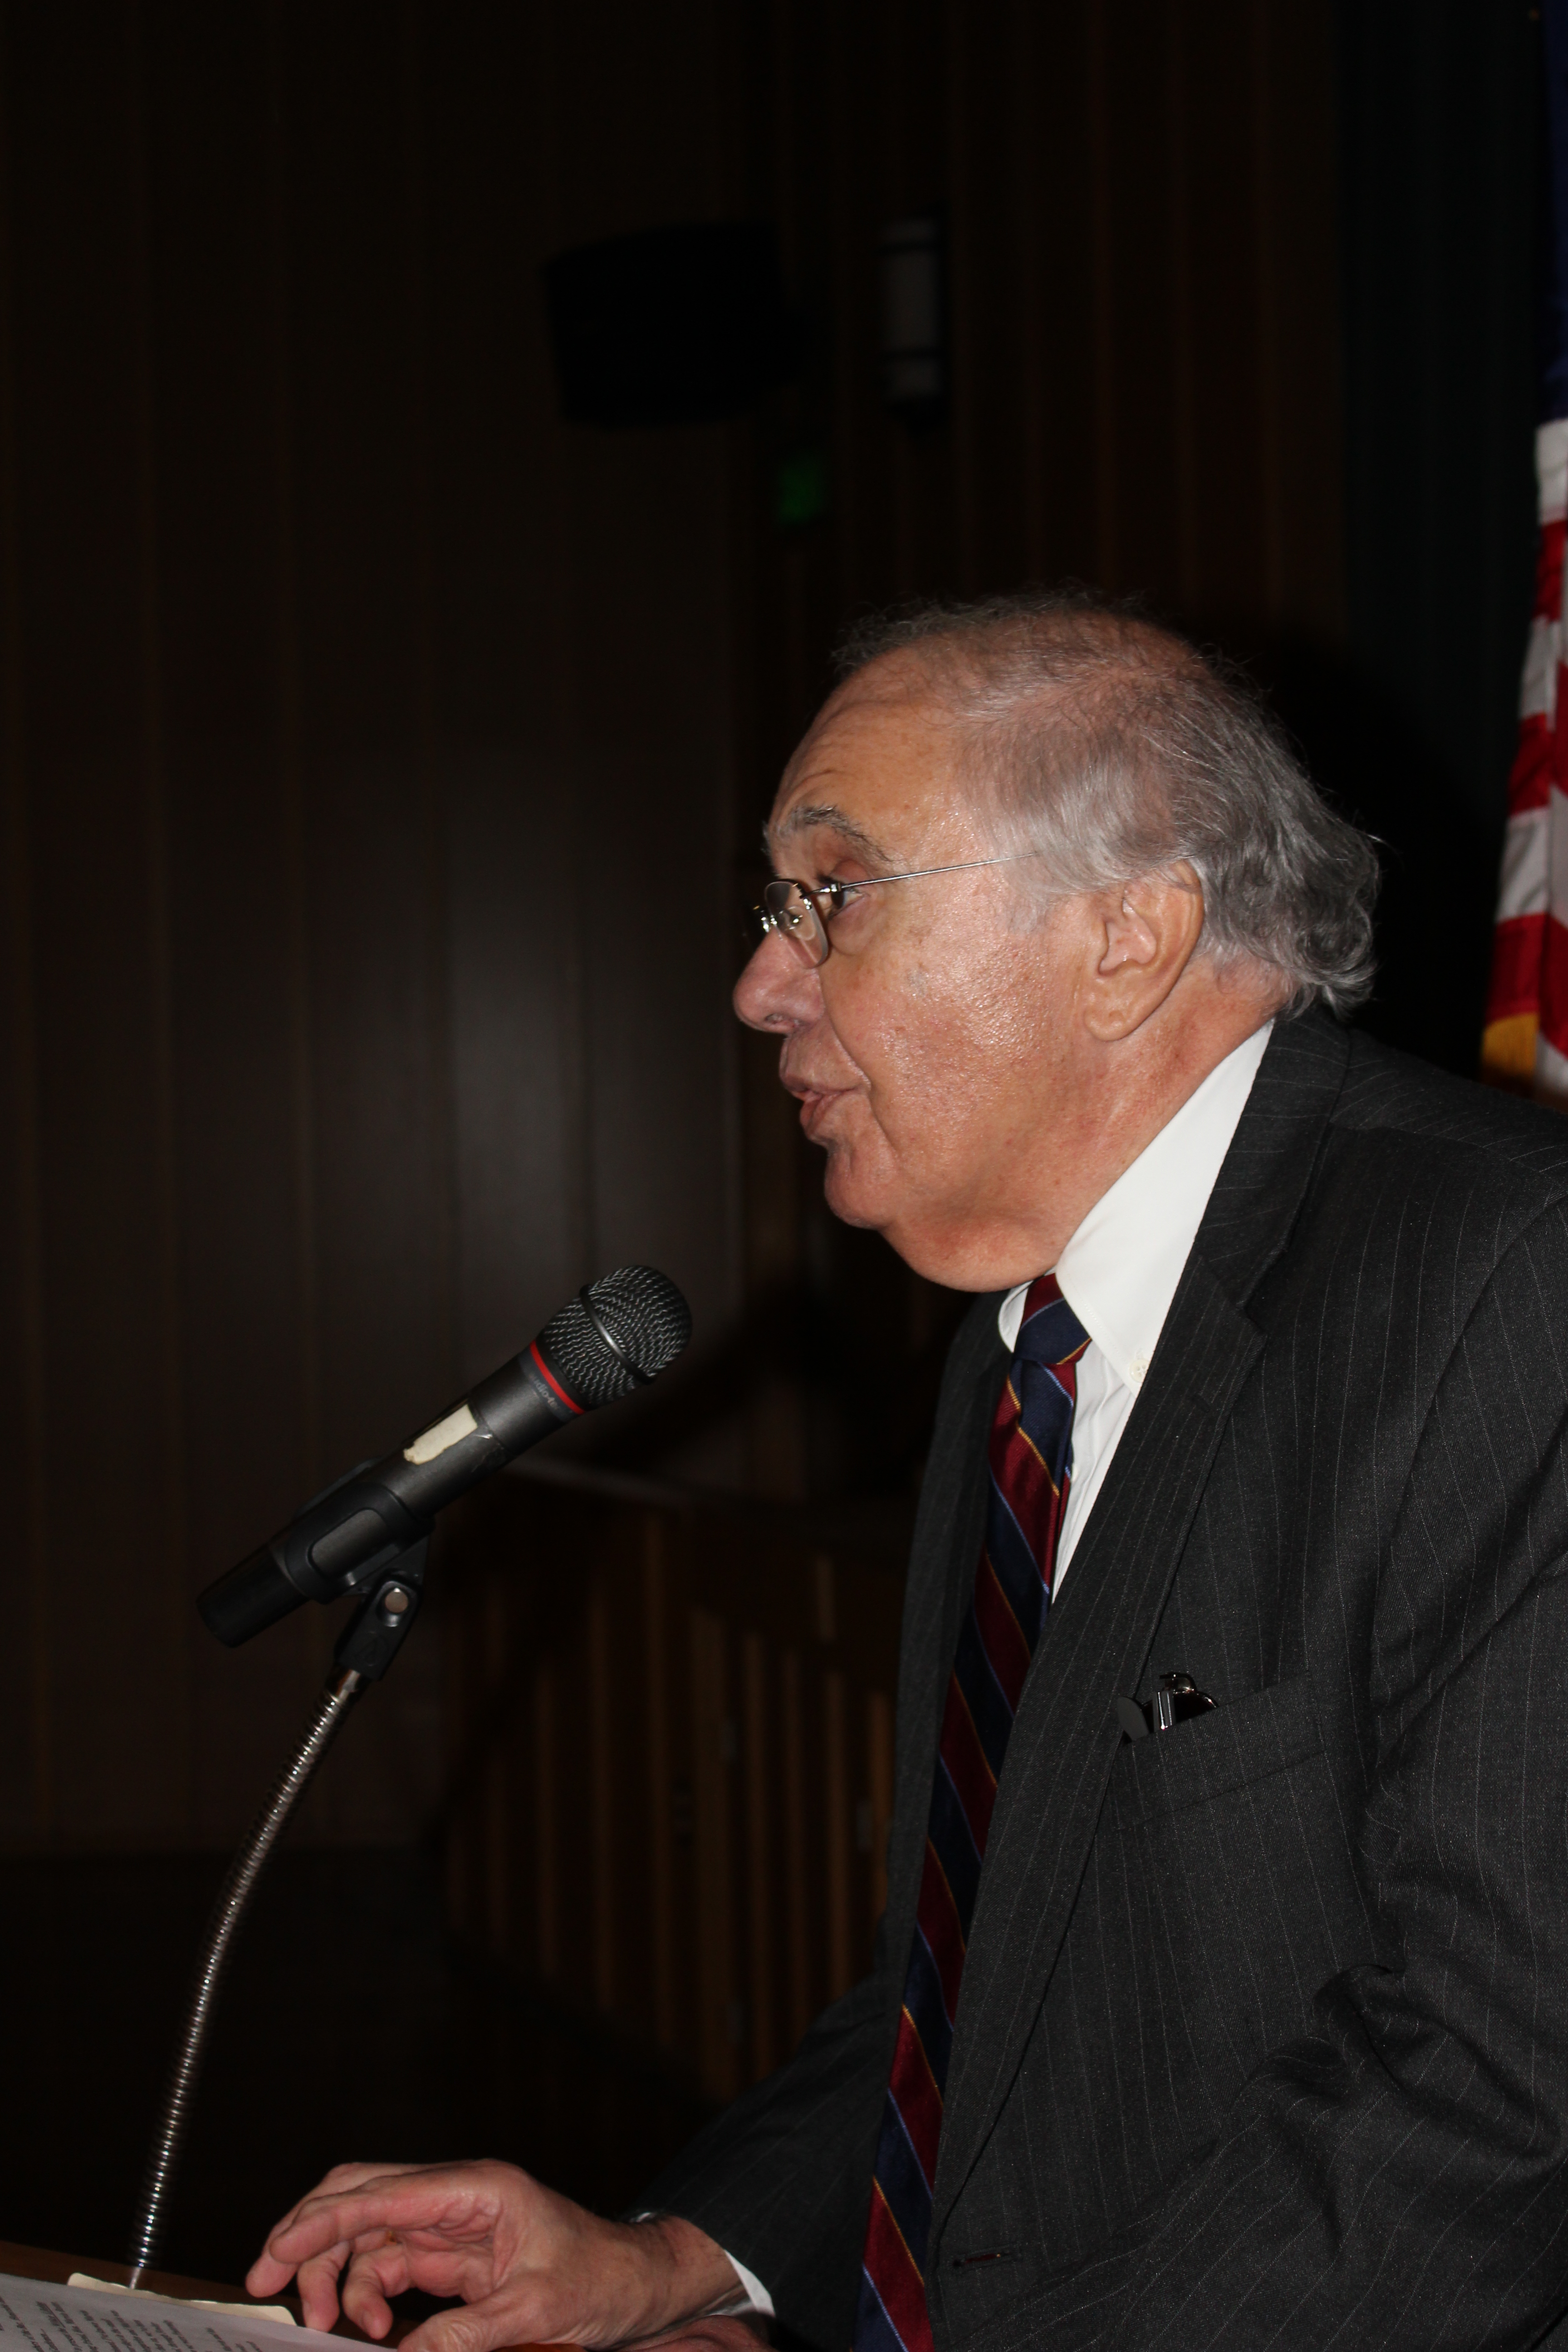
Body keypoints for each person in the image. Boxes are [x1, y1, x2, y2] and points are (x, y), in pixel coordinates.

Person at [247, 595, 1568, 2352]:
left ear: (1127, 938)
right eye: (776, 909)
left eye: (835, 895)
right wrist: (676, 2255)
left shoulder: (1509, 1287)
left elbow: (1495, 2092)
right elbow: (963, 1994)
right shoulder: (1020, 1352)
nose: (760, 984)